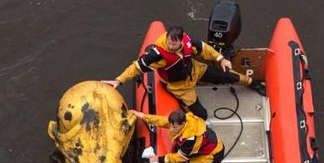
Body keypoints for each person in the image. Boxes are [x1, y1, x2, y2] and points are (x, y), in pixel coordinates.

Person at [103, 25, 262, 119]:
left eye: (173, 44)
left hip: (195, 70)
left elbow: (204, 49)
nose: (170, 46)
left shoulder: (188, 42)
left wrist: (221, 59)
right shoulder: (157, 54)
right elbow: (137, 67)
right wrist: (119, 80)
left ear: (180, 40)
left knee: (228, 76)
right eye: (168, 43)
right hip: (180, 86)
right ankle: (184, 106)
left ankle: (253, 83)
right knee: (202, 115)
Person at [129, 108, 224, 163]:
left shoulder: (191, 139)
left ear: (183, 124)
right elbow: (162, 121)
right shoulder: (181, 121)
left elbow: (181, 157)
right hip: (201, 148)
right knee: (177, 149)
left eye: (174, 127)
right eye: (170, 126)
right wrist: (143, 116)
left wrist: (160, 159)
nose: (171, 129)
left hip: (212, 155)